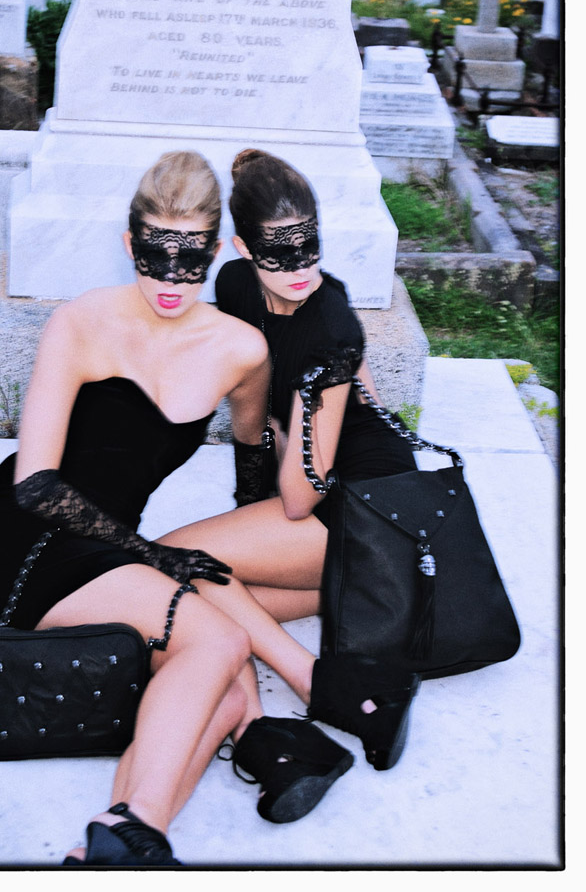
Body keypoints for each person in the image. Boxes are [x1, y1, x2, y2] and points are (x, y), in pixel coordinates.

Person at [0, 150, 357, 869]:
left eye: (191, 259)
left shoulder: (238, 348)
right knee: (219, 643)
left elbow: (250, 447)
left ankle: (124, 839)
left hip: (112, 551)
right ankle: (139, 817)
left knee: (228, 693)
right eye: (154, 256)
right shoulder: (83, 321)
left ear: (216, 249)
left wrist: (252, 520)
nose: (171, 281)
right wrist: (153, 557)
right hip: (24, 543)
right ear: (128, 243)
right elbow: (35, 484)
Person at [158, 148, 422, 772]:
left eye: (311, 247)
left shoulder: (329, 324)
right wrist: (251, 505)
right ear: (242, 249)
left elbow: (302, 496)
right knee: (187, 604)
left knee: (173, 562)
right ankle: (348, 616)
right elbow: (249, 413)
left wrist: (309, 398)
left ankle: (320, 685)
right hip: (333, 502)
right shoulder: (233, 288)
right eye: (279, 251)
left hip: (369, 513)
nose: (300, 268)